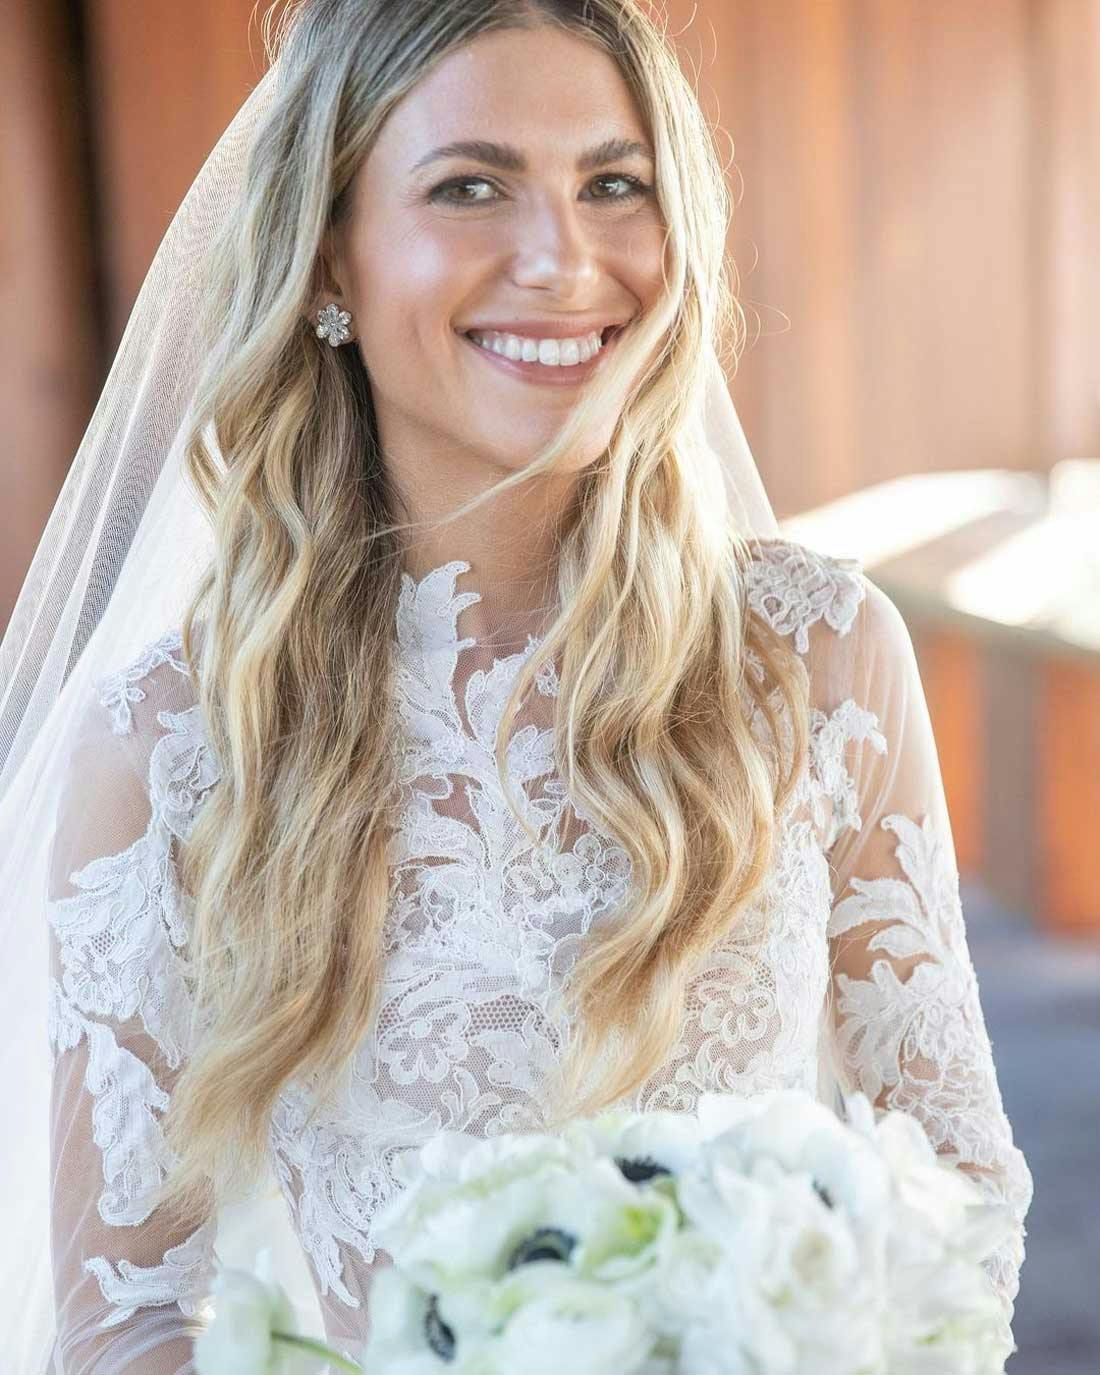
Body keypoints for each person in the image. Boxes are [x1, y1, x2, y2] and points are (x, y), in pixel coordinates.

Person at [0, 1, 1033, 1371]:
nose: (564, 259)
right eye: (471, 186)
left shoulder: (817, 654)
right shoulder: (174, 743)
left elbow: (960, 1199)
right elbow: (126, 1326)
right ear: (328, 260)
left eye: (616, 184)